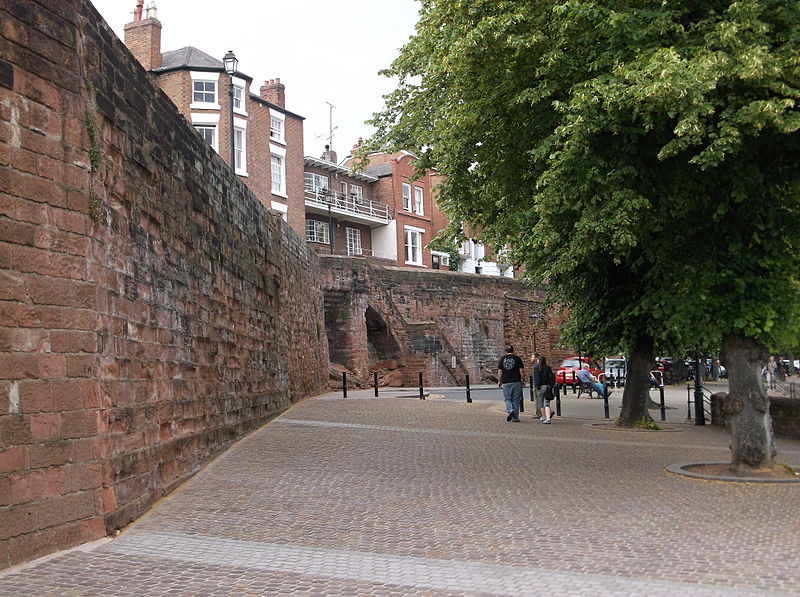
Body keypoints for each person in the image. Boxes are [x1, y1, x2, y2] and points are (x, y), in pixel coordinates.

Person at [497, 345, 524, 422]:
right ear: (513, 350)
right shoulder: (517, 358)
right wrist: (523, 379)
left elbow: (500, 371)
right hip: (516, 381)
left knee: (507, 399)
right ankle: (515, 418)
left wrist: (499, 381)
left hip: (506, 381)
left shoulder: (503, 359)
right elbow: (521, 370)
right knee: (516, 399)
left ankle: (510, 409)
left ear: (506, 351)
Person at [537, 355, 555, 424]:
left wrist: (538, 386)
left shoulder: (539, 368)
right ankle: (548, 416)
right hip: (548, 386)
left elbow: (538, 379)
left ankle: (545, 417)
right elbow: (551, 378)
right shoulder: (548, 368)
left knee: (542, 403)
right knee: (547, 403)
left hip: (541, 386)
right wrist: (551, 386)